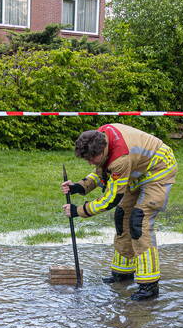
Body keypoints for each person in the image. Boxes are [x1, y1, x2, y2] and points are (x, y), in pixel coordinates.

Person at [61, 123, 176, 301]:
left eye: (92, 158)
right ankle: (123, 274)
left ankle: (149, 285)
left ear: (103, 149)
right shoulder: (102, 137)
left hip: (159, 170)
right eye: (87, 159)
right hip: (136, 171)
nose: (90, 162)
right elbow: (101, 171)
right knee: (122, 216)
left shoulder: (120, 159)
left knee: (139, 221)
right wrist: (80, 186)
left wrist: (78, 211)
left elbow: (110, 200)